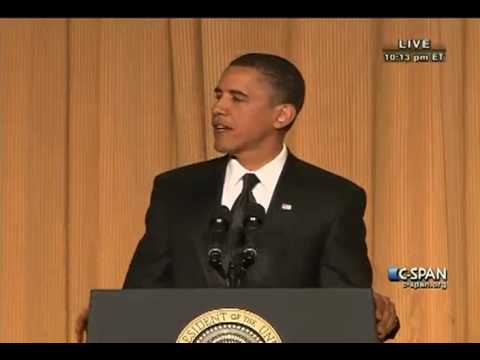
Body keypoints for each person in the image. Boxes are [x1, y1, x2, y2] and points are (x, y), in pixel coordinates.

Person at [76, 53, 399, 342]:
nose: (218, 108)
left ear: (282, 115)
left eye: (237, 98)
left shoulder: (333, 198)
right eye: (218, 95)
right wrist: (112, 317)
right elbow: (143, 292)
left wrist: (373, 315)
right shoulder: (176, 190)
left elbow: (342, 310)